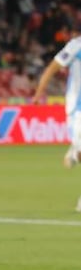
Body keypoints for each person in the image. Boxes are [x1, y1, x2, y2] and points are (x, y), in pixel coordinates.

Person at [33, 35, 81, 209]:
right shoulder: (76, 46)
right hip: (77, 109)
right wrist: (39, 92)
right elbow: (52, 68)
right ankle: (75, 153)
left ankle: (75, 153)